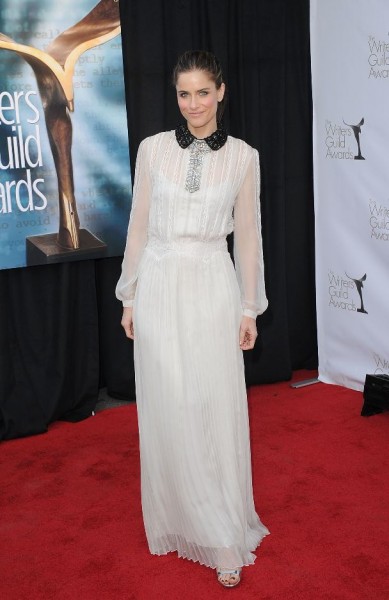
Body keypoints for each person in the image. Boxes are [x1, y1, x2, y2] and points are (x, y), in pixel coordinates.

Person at [116, 50, 269, 588]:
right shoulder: (152, 150)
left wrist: (249, 306)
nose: (194, 104)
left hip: (211, 284)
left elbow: (248, 239)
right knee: (168, 402)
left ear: (221, 92)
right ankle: (180, 518)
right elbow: (137, 227)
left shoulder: (245, 157)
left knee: (209, 402)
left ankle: (223, 530)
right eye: (184, 94)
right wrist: (129, 295)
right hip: (158, 284)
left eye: (203, 92)